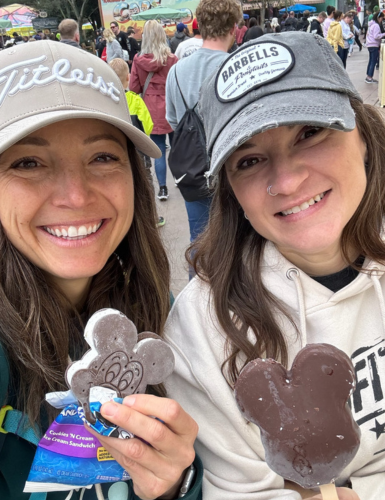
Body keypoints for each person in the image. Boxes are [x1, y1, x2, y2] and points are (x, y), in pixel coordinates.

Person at [165, 30, 384, 500]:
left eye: (310, 132)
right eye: (249, 160)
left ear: (362, 136)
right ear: (230, 191)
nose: (286, 181)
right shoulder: (203, 329)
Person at [0, 40, 201, 500]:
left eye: (102, 157)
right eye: (28, 162)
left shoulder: (149, 310)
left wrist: (173, 486)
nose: (76, 196)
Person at [166, 0, 242, 244]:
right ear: (233, 28)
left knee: (200, 241)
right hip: (234, 168)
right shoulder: (238, 66)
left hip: (194, 168)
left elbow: (173, 120)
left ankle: (201, 281)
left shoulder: (176, 70)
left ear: (201, 25)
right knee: (239, 240)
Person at [109, 57, 165, 228]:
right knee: (145, 185)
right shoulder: (135, 100)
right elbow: (147, 126)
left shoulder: (107, 101)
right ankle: (152, 218)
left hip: (115, 154)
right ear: (128, 78)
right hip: (139, 153)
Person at [130, 20, 177, 202]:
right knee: (176, 147)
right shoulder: (172, 59)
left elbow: (134, 88)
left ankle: (163, 189)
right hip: (171, 107)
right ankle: (179, 178)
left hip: (150, 110)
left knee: (158, 151)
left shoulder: (138, 60)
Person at [365, 11, 385, 83]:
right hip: (374, 44)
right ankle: (370, 77)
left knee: (371, 61)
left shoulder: (371, 25)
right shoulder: (376, 26)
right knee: (373, 61)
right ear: (378, 18)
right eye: (381, 19)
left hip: (370, 44)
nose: (381, 20)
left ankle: (368, 76)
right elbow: (376, 36)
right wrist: (383, 34)